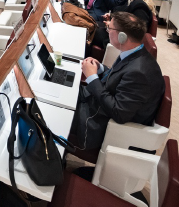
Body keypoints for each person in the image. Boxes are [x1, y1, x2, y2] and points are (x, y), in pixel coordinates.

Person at [68, 13, 165, 153]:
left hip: (96, 123)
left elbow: (118, 113)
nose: (107, 30)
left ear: (122, 37)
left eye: (110, 28)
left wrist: (92, 78)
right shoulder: (135, 53)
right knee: (62, 86)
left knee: (50, 110)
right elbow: (120, 77)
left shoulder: (140, 73)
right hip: (95, 104)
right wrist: (100, 69)